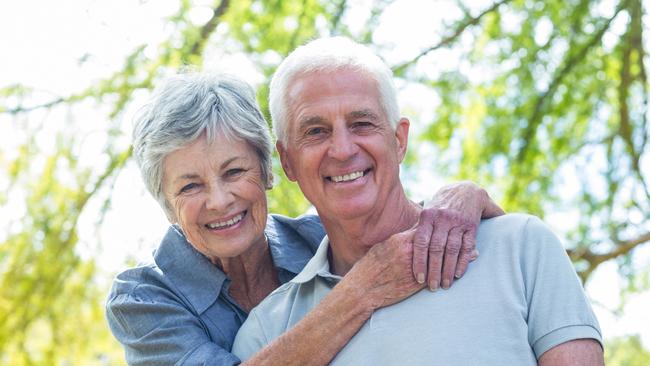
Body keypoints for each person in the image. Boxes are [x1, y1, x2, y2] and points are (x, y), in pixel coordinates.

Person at [232, 37, 604, 365]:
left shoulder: (520, 247)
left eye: (362, 123)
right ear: (287, 161)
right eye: (316, 131)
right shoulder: (266, 332)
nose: (343, 150)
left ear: (399, 140)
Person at [105, 72, 504, 365]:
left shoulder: (319, 237)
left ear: (269, 171)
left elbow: (426, 229)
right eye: (190, 186)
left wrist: (464, 197)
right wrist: (363, 289)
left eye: (233, 172)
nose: (219, 200)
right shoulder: (142, 298)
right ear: (166, 202)